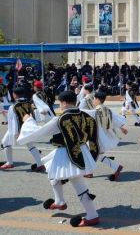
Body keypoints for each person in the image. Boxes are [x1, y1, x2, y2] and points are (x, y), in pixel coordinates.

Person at [17, 91, 100, 227]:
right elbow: (94, 137)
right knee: (53, 175)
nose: (59, 106)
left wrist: (28, 121)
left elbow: (39, 132)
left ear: (65, 103)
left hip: (66, 153)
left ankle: (92, 215)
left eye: (60, 103)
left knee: (77, 181)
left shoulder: (60, 119)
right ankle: (59, 201)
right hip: (81, 151)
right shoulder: (86, 115)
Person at [81, 92, 128, 181]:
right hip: (104, 136)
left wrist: (73, 111)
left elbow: (86, 112)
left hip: (97, 137)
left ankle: (90, 172)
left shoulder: (96, 111)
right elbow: (116, 118)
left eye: (94, 99)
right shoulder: (107, 109)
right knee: (95, 154)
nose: (93, 101)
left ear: (98, 100)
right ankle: (115, 167)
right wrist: (122, 127)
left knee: (90, 153)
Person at [0, 87, 44, 171]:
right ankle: (40, 164)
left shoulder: (13, 106)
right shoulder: (29, 103)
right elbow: (33, 117)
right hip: (28, 128)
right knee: (31, 146)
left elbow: (14, 122)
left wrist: (15, 134)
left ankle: (9, 163)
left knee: (5, 143)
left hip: (17, 130)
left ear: (14, 95)